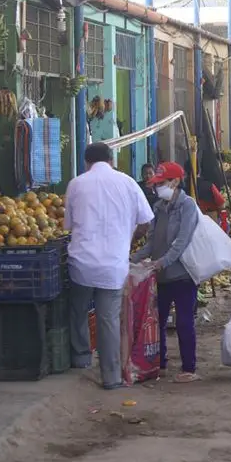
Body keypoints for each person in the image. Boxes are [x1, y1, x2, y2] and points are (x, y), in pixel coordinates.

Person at [66, 143, 155, 390]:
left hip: (81, 264)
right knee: (108, 320)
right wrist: (129, 240)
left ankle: (81, 359)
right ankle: (111, 377)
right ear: (111, 160)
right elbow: (147, 222)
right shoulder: (127, 183)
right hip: (113, 265)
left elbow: (69, 225)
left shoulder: (76, 184)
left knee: (78, 311)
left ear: (87, 162)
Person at [131, 161, 201, 383]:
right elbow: (151, 243)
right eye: (155, 184)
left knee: (184, 321)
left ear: (176, 181)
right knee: (156, 321)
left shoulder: (188, 206)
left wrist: (161, 262)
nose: (157, 187)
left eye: (161, 183)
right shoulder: (158, 207)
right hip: (160, 277)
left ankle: (189, 368)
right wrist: (129, 259)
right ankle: (159, 364)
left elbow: (181, 242)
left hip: (183, 276)